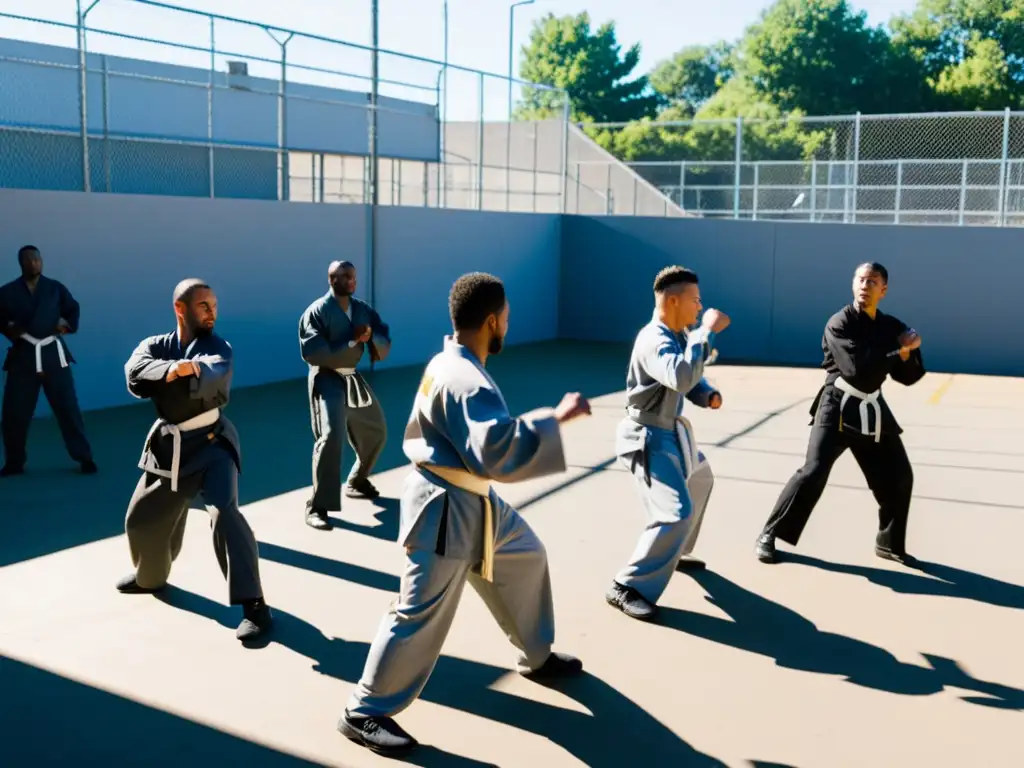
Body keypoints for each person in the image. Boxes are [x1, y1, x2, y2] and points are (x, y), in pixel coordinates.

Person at [339, 272, 591, 756]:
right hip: (445, 509)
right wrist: (556, 418)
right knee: (418, 611)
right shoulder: (467, 379)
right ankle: (363, 711)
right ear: (492, 320)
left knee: (526, 555)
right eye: (507, 320)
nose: (507, 328)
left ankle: (536, 654)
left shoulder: (449, 358)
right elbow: (494, 451)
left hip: (473, 500)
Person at [116, 278, 272, 642]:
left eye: (215, 305)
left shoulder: (219, 347)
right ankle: (150, 577)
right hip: (170, 448)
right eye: (204, 305)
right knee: (140, 520)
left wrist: (179, 373)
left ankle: (256, 606)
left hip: (212, 444)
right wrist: (169, 371)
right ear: (180, 308)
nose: (212, 312)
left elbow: (209, 376)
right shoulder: (155, 345)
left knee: (224, 513)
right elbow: (134, 373)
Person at [755, 262, 925, 566]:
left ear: (883, 290)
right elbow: (856, 371)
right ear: (852, 284)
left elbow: (908, 376)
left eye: (872, 281)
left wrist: (908, 352)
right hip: (837, 406)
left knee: (900, 476)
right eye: (860, 279)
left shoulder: (891, 326)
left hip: (873, 410)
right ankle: (769, 533)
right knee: (814, 471)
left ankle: (889, 543)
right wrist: (896, 350)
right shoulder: (840, 322)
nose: (865, 285)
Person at [605, 266, 730, 622]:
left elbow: (686, 381)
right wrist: (706, 331)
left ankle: (676, 550)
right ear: (673, 301)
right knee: (674, 514)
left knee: (701, 479)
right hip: (647, 439)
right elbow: (678, 374)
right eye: (695, 300)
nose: (699, 306)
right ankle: (627, 585)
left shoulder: (677, 334)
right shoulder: (654, 339)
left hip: (672, 434)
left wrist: (707, 395)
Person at [298, 260, 391, 531]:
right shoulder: (316, 311)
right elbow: (313, 351)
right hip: (326, 377)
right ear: (331, 280)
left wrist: (372, 336)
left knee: (376, 430)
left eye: (353, 276)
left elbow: (383, 338)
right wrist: (351, 341)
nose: (352, 280)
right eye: (345, 276)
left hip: (352, 377)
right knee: (331, 436)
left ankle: (357, 480)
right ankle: (317, 505)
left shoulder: (362, 309)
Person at [0, 245, 96, 476]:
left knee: (68, 409)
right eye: (28, 260)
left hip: (53, 355)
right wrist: (11, 328)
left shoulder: (54, 289)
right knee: (14, 413)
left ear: (41, 261)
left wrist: (65, 325)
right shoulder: (7, 292)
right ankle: (14, 462)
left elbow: (72, 310)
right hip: (24, 355)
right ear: (21, 263)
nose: (34, 264)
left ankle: (84, 458)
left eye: (37, 259)